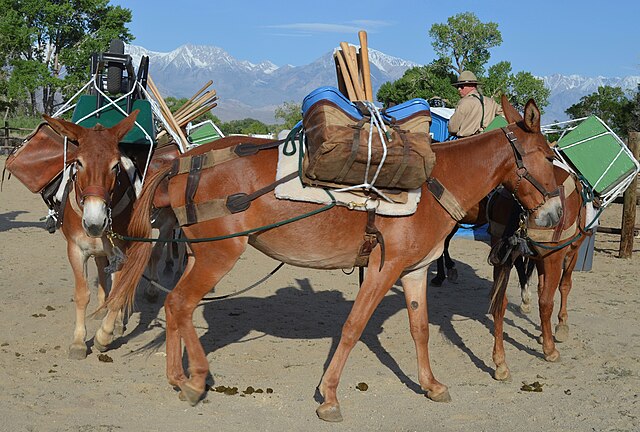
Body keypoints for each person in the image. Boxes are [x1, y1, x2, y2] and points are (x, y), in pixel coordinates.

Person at [448, 71, 503, 138]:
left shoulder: (464, 102)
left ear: (472, 86)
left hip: (467, 143)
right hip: (488, 140)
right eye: (458, 87)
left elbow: (453, 128)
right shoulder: (491, 102)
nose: (459, 89)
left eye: (461, 86)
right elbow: (505, 115)